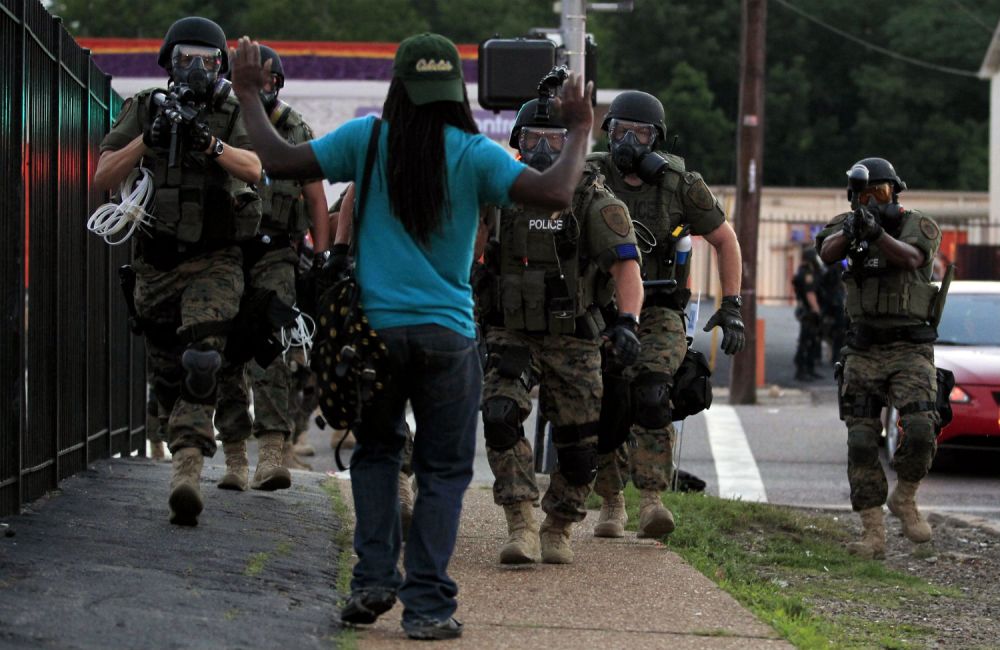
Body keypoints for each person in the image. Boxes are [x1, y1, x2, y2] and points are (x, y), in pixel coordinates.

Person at [229, 32, 595, 640]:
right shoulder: (475, 154)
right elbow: (555, 192)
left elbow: (283, 162)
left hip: (373, 335)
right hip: (448, 338)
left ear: (398, 86)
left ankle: (372, 581)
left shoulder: (367, 140)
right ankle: (426, 604)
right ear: (455, 92)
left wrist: (247, 94)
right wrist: (579, 129)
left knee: (376, 454)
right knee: (442, 472)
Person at [93, 17, 262, 526]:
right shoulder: (146, 106)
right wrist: (148, 140)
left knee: (203, 358)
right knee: (167, 378)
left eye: (208, 60)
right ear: (170, 61)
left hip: (215, 258)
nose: (197, 68)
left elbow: (255, 168)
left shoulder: (232, 111)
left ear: (221, 66)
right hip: (157, 262)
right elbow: (103, 176)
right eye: (187, 58)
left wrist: (210, 145)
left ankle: (188, 470)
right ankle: (182, 451)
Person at [478, 99, 644, 565]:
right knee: (499, 414)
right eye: (533, 139)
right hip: (513, 331)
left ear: (570, 144)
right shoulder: (498, 193)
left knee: (578, 446)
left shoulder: (592, 198)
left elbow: (626, 268)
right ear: (518, 141)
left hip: (574, 336)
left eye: (555, 140)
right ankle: (520, 522)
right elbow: (472, 248)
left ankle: (559, 526)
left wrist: (628, 322)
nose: (543, 149)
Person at [586, 91, 746, 539]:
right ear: (608, 133)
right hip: (602, 308)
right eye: (620, 131)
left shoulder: (680, 184)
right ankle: (612, 500)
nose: (628, 142)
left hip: (659, 308)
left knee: (653, 391)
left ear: (655, 139)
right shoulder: (590, 176)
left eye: (639, 134)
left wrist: (731, 306)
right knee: (604, 399)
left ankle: (652, 501)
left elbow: (726, 241)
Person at [213, 44, 329, 492]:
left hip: (276, 251)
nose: (262, 86)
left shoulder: (294, 129)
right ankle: (235, 454)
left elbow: (316, 199)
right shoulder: (222, 120)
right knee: (223, 351)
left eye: (269, 78)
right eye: (253, 77)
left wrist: (323, 259)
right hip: (225, 251)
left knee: (273, 346)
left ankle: (273, 452)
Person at [817, 157, 943, 560]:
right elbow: (827, 253)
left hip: (910, 347)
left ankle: (905, 496)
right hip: (864, 347)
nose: (872, 202)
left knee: (921, 427)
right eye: (865, 195)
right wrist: (853, 230)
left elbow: (911, 258)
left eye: (881, 193)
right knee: (860, 440)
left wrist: (877, 234)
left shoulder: (918, 225)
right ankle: (872, 532)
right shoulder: (845, 223)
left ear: (896, 194)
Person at [792, 246, 823, 381]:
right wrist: (816, 309)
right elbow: (810, 293)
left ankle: (809, 369)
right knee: (806, 341)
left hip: (805, 310)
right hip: (809, 311)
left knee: (812, 340)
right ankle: (801, 371)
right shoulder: (807, 273)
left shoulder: (802, 271)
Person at [818, 258, 848, 364]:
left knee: (820, 330)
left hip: (827, 303)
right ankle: (835, 357)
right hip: (835, 304)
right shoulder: (838, 267)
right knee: (840, 331)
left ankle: (820, 357)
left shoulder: (826, 267)